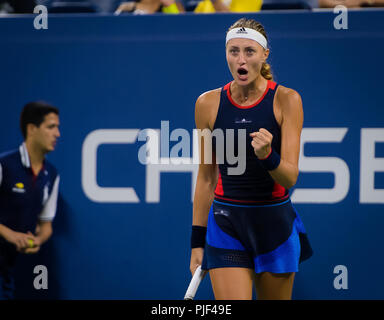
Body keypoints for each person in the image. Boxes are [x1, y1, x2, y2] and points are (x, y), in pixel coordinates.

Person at [189, 18, 313, 300]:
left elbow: (290, 177)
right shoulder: (206, 104)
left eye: (249, 51)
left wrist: (268, 156)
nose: (241, 59)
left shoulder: (288, 100)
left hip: (275, 227)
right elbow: (207, 177)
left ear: (264, 54)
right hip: (226, 226)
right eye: (234, 51)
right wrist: (197, 242)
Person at [0, 101, 60, 300]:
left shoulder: (51, 174)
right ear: (32, 129)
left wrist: (37, 240)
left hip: (16, 271)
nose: (57, 134)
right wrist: (11, 235)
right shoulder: (3, 165)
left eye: (58, 128)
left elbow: (46, 225)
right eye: (51, 127)